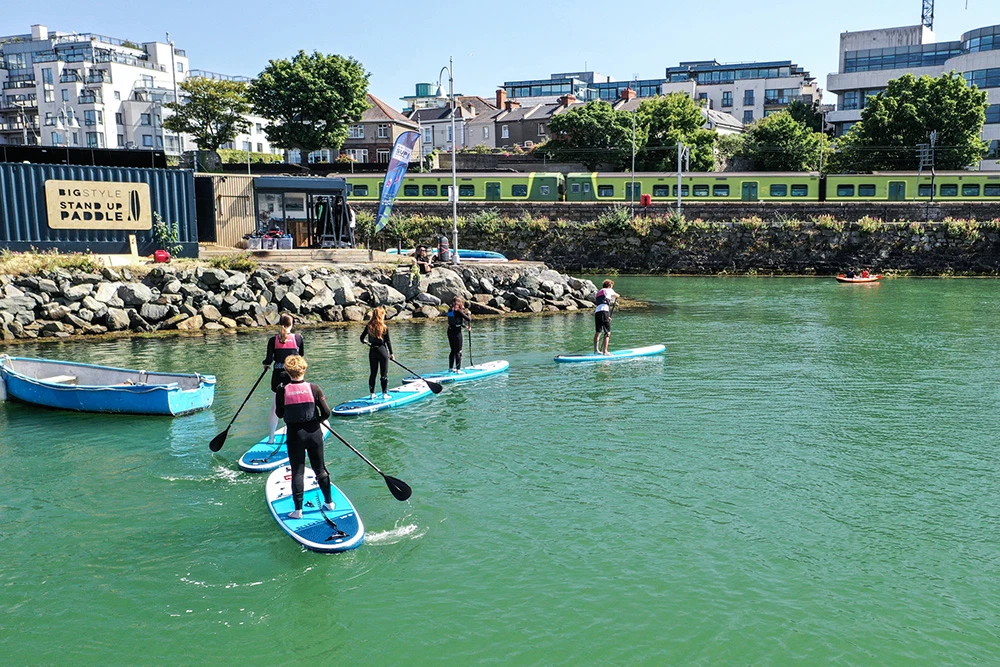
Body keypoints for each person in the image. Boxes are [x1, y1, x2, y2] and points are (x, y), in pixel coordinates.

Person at [274, 355, 334, 520]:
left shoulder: (282, 390)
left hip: (295, 436)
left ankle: (298, 511)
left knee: (297, 472)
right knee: (320, 469)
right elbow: (327, 412)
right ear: (304, 369)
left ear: (287, 371)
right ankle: (329, 503)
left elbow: (279, 413)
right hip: (314, 433)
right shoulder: (314, 388)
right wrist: (317, 421)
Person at [262, 313, 303, 444]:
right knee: (293, 406)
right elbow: (300, 356)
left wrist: (266, 365)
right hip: (293, 377)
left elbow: (268, 360)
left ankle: (271, 438)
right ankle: (293, 435)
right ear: (292, 324)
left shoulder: (273, 340)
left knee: (275, 407)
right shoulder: (298, 338)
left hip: (277, 377)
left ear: (280, 324)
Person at [360, 306, 394, 400]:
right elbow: (388, 341)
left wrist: (366, 342)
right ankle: (384, 394)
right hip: (382, 351)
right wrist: (391, 353)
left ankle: (372, 394)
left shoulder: (368, 326)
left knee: (373, 373)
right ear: (381, 315)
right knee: (384, 374)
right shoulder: (384, 327)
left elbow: (361, 338)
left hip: (372, 351)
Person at [446, 296, 472, 372]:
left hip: (450, 331)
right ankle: (458, 370)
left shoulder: (450, 310)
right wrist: (469, 313)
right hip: (457, 332)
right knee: (458, 351)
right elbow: (468, 319)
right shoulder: (458, 311)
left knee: (453, 351)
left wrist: (465, 326)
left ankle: (450, 368)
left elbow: (456, 321)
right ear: (459, 303)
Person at [593, 279, 618, 356]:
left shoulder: (598, 293)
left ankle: (596, 350)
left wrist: (607, 317)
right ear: (609, 286)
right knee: (607, 332)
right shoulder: (609, 290)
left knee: (598, 332)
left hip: (597, 312)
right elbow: (617, 295)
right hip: (604, 311)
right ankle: (605, 351)